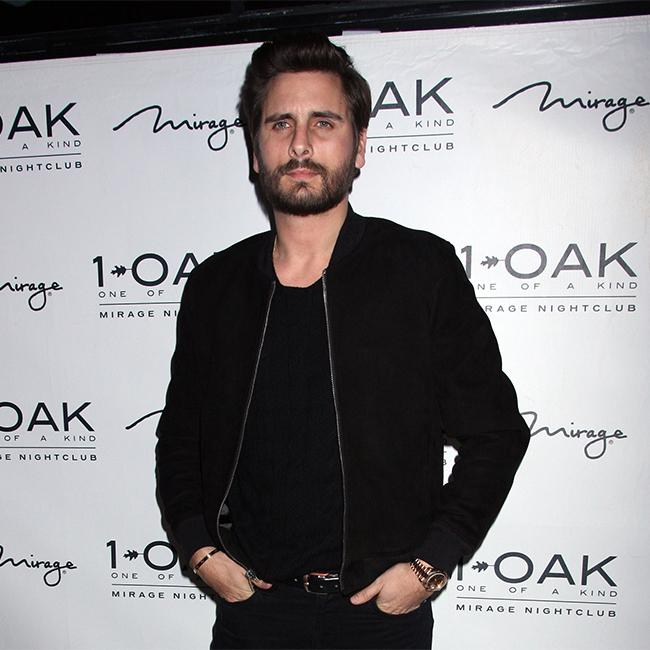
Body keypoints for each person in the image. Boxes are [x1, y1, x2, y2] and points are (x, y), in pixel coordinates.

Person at [156, 32, 529, 649]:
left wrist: (431, 564)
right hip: (252, 613)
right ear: (256, 152)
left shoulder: (420, 270)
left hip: (378, 618)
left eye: (323, 123)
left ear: (359, 147)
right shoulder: (216, 286)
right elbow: (180, 438)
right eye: (280, 124)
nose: (300, 143)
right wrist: (199, 550)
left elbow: (496, 433)